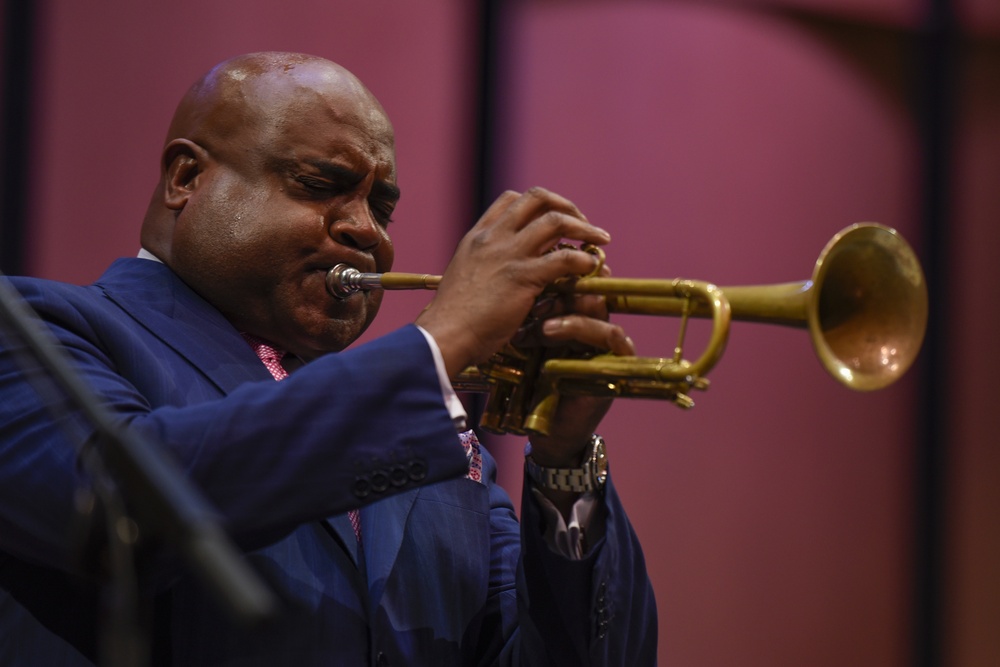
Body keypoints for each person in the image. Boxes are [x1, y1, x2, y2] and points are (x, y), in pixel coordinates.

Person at [0, 52, 656, 665]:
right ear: (187, 178)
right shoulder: (33, 332)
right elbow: (114, 504)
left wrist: (566, 463)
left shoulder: (448, 446)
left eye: (381, 207)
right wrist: (439, 342)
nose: (366, 230)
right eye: (321, 185)